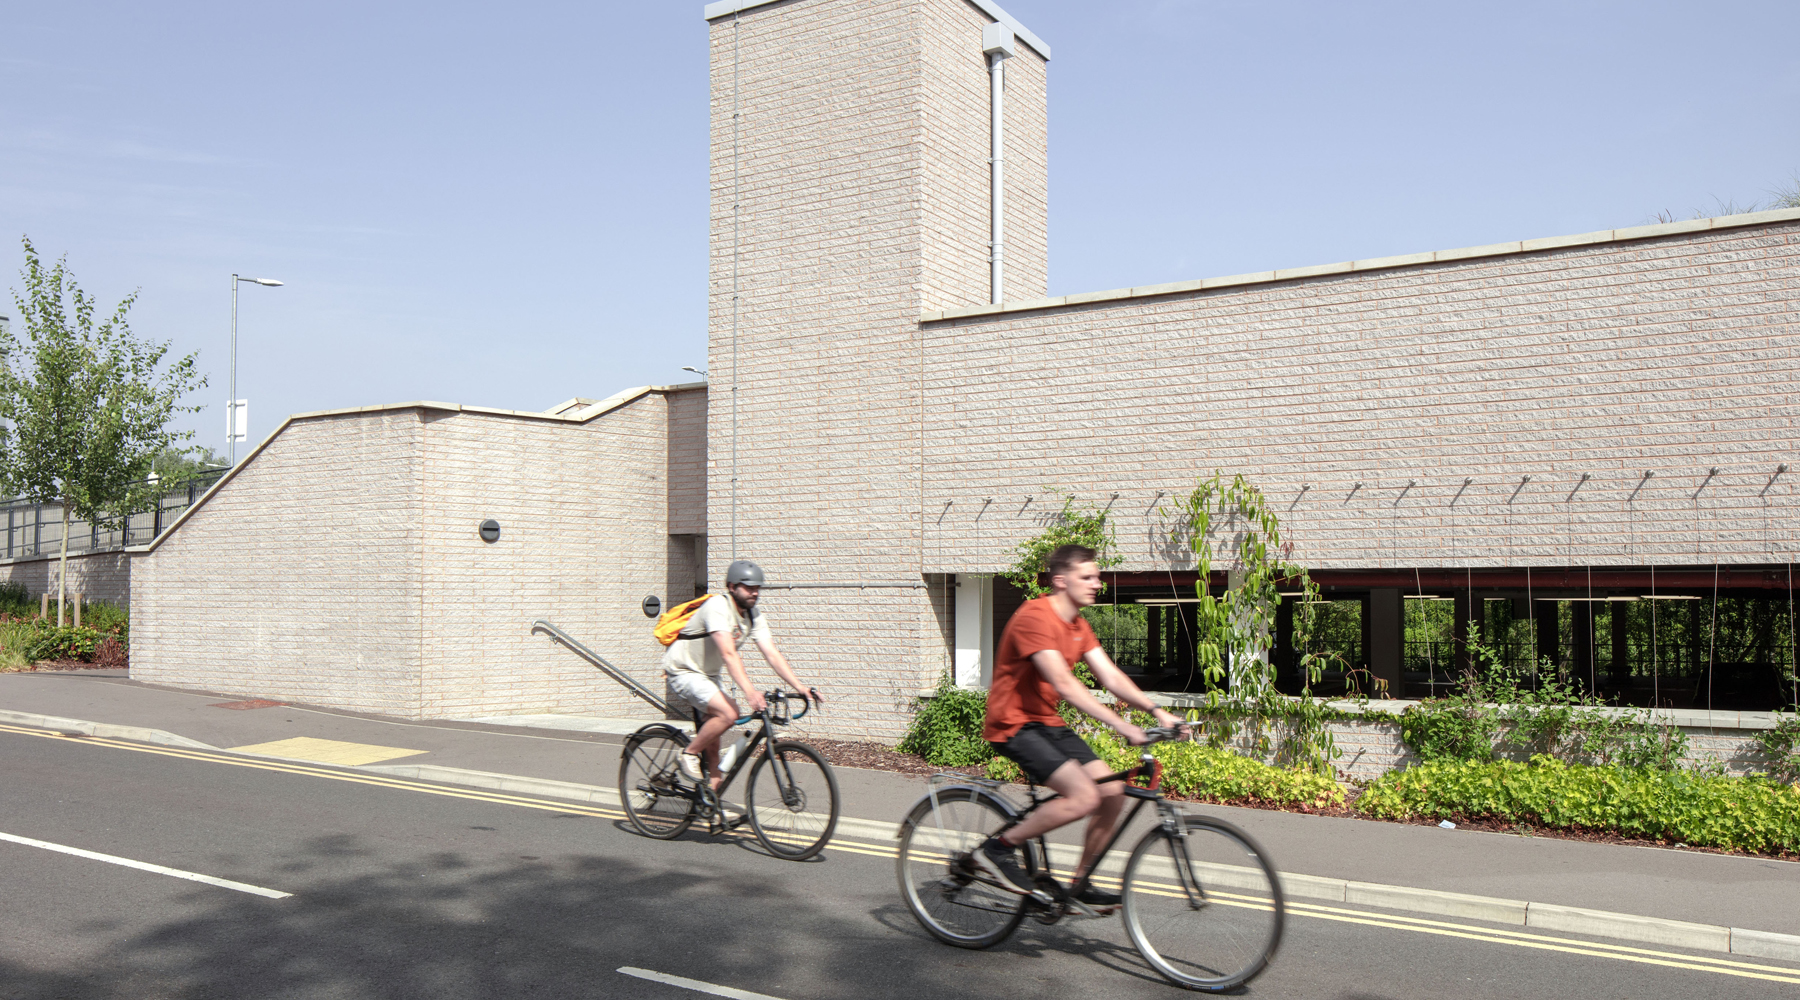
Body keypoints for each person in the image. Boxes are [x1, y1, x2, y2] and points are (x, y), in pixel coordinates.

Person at [979, 543, 1186, 907]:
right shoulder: (1035, 617)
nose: (1097, 584)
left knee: (1111, 792)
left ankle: (1081, 882)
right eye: (1087, 577)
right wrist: (1122, 726)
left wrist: (1157, 710)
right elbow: (1064, 683)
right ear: (1061, 581)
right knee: (1083, 795)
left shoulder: (1078, 625)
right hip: (1013, 724)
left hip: (1048, 723)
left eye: (1097, 577)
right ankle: (997, 849)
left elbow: (1109, 675)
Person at [662, 559, 821, 793]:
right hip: (683, 669)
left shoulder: (753, 616)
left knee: (714, 744)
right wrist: (750, 692)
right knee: (730, 712)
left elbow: (773, 654)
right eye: (748, 588)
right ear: (731, 587)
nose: (754, 593)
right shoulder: (717, 607)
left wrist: (801, 687)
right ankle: (688, 753)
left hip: (709, 675)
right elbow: (728, 653)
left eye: (757, 588)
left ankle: (711, 805)